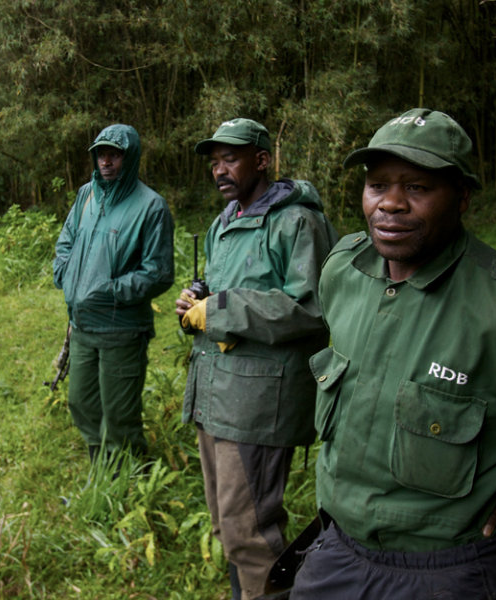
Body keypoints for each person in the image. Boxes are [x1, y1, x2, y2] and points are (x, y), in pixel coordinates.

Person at [289, 108, 496, 599]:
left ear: (463, 197)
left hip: (445, 573)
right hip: (334, 555)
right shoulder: (344, 271)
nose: (390, 204)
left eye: (417, 188)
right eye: (377, 185)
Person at [175, 118, 338, 600]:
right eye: (214, 162)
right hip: (216, 394)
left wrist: (220, 309)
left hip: (257, 403)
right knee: (229, 527)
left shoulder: (297, 222)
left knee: (251, 532)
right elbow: (230, 289)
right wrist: (198, 299)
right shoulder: (222, 223)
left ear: (262, 160)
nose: (219, 170)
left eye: (231, 159)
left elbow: (312, 308)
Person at [53, 123, 174, 464]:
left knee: (120, 414)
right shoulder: (86, 196)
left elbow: (159, 273)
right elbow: (66, 241)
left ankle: (130, 480)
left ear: (130, 157)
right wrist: (66, 274)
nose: (105, 162)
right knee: (81, 401)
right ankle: (101, 467)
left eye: (114, 155)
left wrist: (109, 291)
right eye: (101, 154)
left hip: (121, 328)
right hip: (82, 326)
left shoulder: (151, 207)